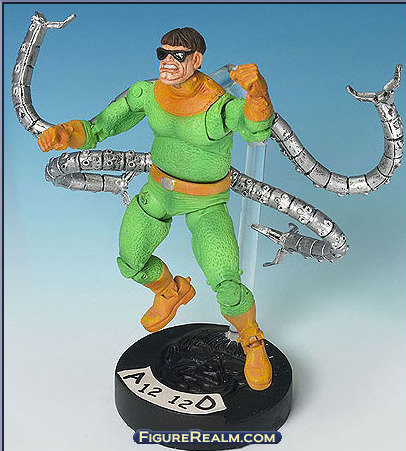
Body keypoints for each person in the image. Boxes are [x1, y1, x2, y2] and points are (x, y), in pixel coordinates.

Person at [38, 27, 274, 391]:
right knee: (130, 260)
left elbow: (256, 131)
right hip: (159, 192)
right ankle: (170, 291)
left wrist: (258, 93)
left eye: (178, 55)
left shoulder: (218, 105)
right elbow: (98, 127)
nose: (168, 62)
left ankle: (251, 339)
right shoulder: (148, 93)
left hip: (206, 203)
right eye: (163, 53)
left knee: (226, 281)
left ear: (196, 60)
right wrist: (65, 133)